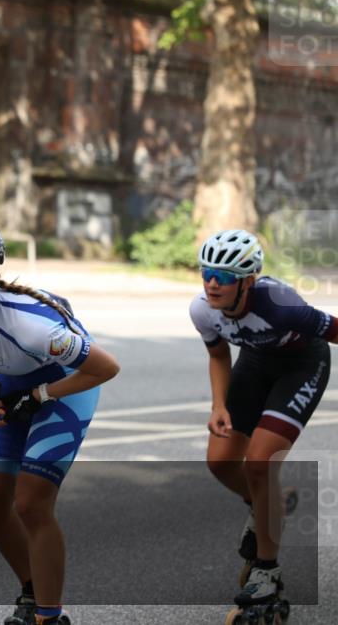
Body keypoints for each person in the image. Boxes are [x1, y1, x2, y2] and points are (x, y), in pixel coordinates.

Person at [0, 220, 119, 625]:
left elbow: (106, 368)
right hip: (15, 381)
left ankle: (51, 616)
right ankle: (32, 591)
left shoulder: (34, 329)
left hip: (67, 382)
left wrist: (39, 397)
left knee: (31, 502)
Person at [191, 229, 337, 606]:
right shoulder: (201, 310)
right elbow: (219, 355)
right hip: (255, 363)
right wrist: (218, 406)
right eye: (205, 272)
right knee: (220, 462)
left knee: (260, 461)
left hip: (302, 366)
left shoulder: (278, 303)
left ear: (247, 280)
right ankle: (267, 503)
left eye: (222, 277)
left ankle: (266, 568)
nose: (211, 283)